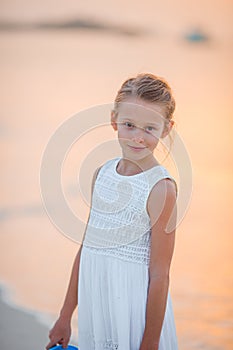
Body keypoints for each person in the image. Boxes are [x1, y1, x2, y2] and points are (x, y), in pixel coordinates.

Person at [46, 73, 179, 350]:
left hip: (134, 316)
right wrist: (65, 315)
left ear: (166, 129)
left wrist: (150, 342)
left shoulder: (160, 189)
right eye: (129, 125)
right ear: (113, 119)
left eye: (150, 129)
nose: (138, 138)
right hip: (98, 304)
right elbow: (87, 248)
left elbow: (160, 274)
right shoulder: (102, 174)